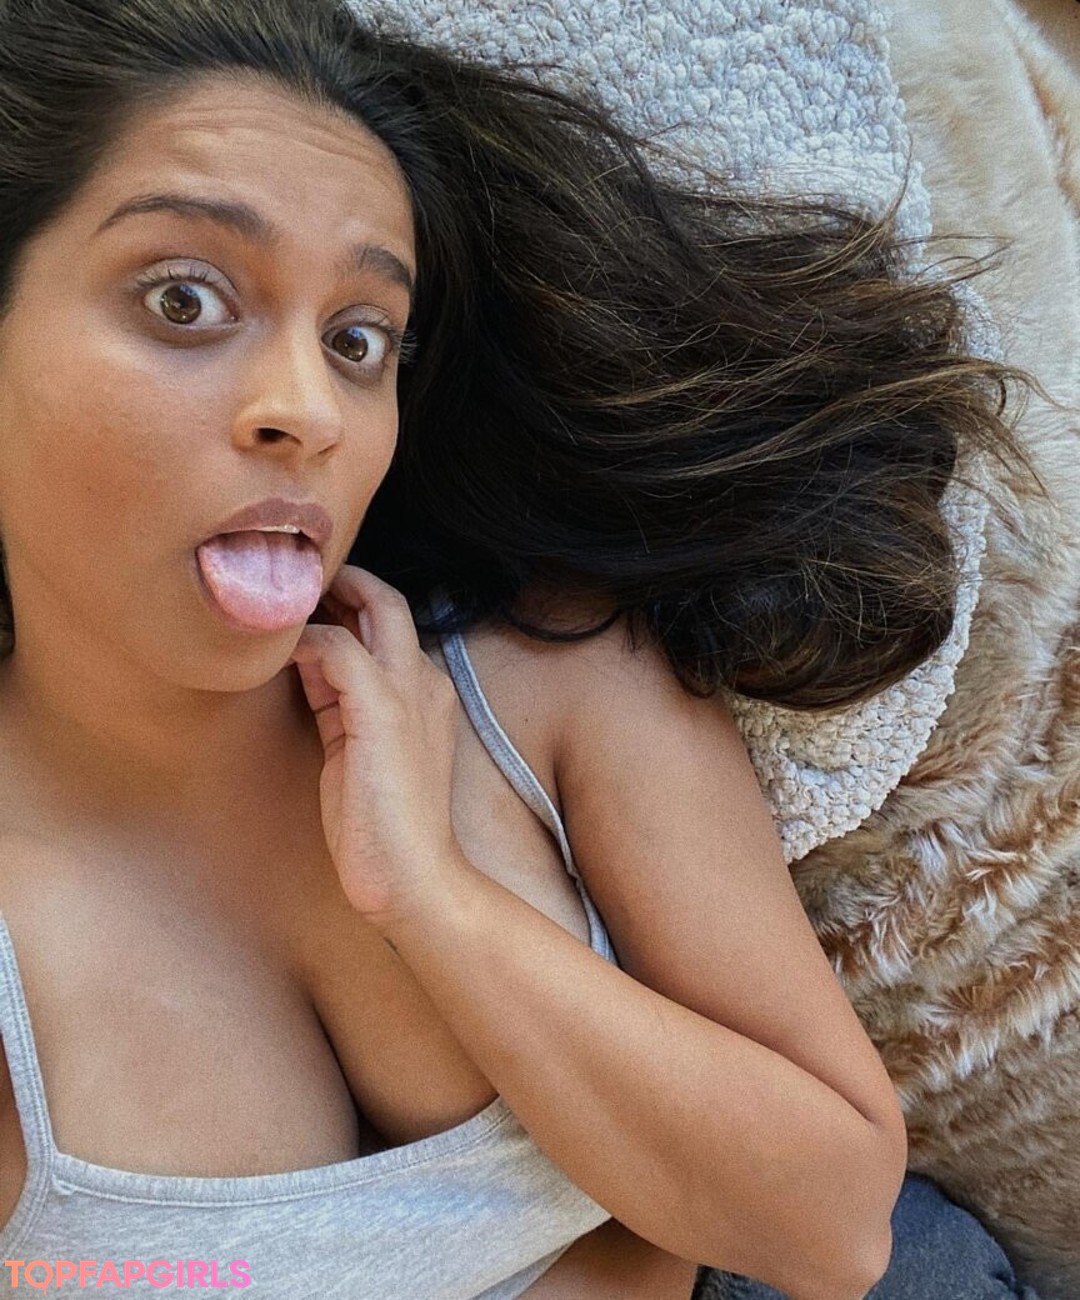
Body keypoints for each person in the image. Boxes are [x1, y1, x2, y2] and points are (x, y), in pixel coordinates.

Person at [0, 1, 1037, 1296]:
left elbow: (832, 1232)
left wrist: (430, 896)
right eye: (184, 299)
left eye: (357, 340)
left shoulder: (541, 669)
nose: (309, 411)